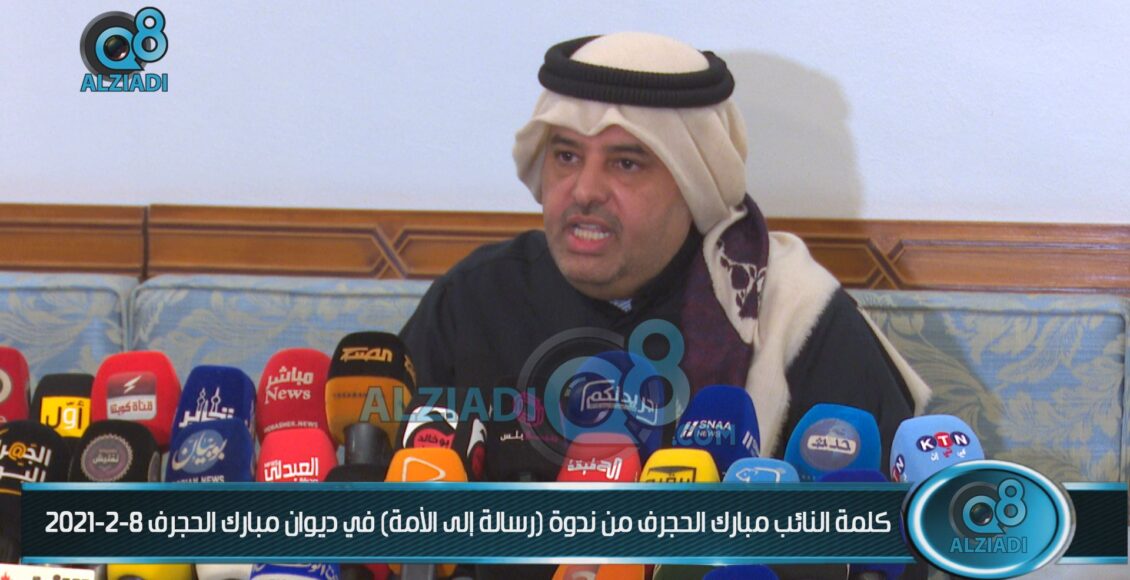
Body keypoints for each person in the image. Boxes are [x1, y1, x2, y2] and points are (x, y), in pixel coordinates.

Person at [399, 31, 931, 578]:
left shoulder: (796, 315)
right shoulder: (474, 299)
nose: (584, 190)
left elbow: (896, 540)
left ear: (693, 182)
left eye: (626, 163)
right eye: (566, 156)